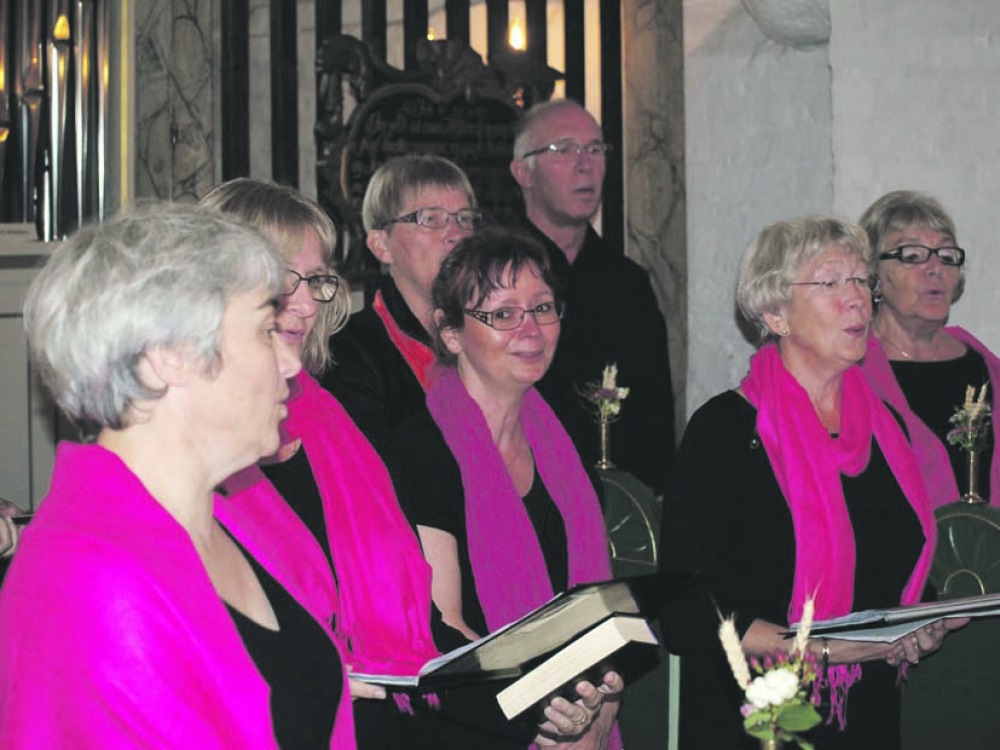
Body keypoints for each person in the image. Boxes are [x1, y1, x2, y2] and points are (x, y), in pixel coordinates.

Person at [202, 179, 595, 749]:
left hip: (394, 706)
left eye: (316, 280)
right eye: (285, 277)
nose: (309, 301)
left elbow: (421, 620)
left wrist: (533, 707)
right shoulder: (203, 446)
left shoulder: (330, 425)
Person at [0, 203, 356, 748]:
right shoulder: (94, 579)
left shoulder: (233, 521)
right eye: (265, 330)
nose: (290, 362)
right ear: (168, 356)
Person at [659, 217, 964, 749]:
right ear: (776, 313)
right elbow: (686, 610)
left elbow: (884, 560)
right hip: (753, 722)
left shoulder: (887, 426)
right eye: (830, 283)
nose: (858, 300)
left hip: (867, 715)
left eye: (861, 280)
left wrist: (922, 619)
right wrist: (825, 648)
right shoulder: (726, 431)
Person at [387, 228, 624, 750]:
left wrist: (600, 707)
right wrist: (551, 711)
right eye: (502, 314)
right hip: (475, 725)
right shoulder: (417, 454)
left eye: (542, 308)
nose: (531, 329)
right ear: (451, 334)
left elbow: (598, 610)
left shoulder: (566, 447)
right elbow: (444, 628)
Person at [509, 98, 674, 495]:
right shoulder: (496, 276)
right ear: (522, 172)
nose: (585, 164)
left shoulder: (627, 283)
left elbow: (656, 417)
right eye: (564, 150)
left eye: (595, 149)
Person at [321, 155, 480, 453]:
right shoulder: (349, 352)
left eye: (465, 219)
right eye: (431, 219)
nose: (456, 235)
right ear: (381, 246)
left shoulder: (495, 331)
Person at [858, 190, 1000, 507]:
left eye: (947, 255)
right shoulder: (848, 370)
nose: (935, 268)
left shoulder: (983, 364)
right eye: (911, 255)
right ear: (873, 274)